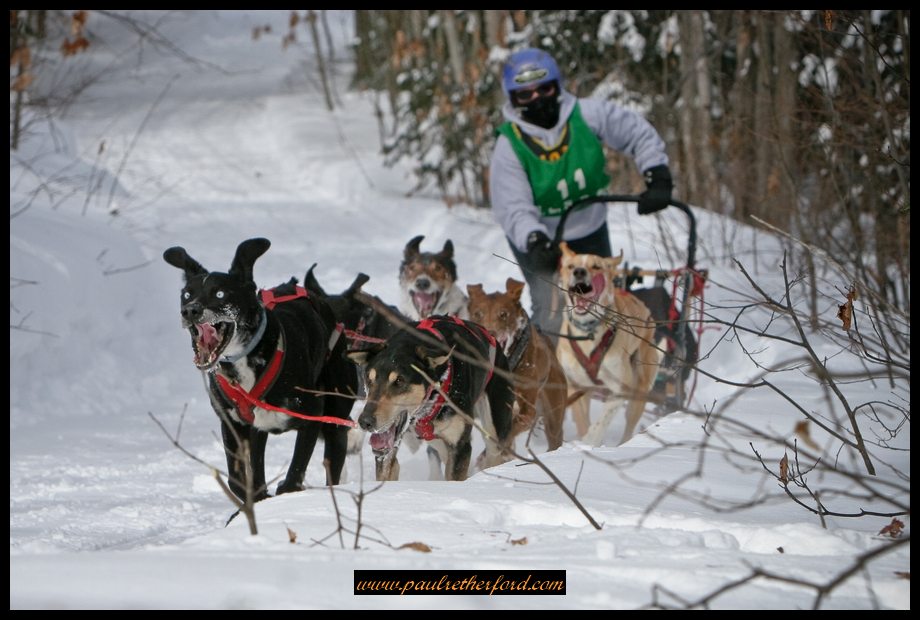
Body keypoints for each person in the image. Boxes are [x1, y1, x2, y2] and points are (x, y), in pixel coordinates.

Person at [490, 47, 673, 335]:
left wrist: (657, 173)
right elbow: (512, 204)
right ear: (514, 99)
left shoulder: (587, 115)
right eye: (526, 95)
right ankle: (553, 374)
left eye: (545, 89)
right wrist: (534, 239)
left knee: (602, 300)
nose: (537, 99)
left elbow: (635, 131)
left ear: (557, 87)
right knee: (552, 310)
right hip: (542, 240)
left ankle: (608, 368)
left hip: (589, 227)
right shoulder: (509, 146)